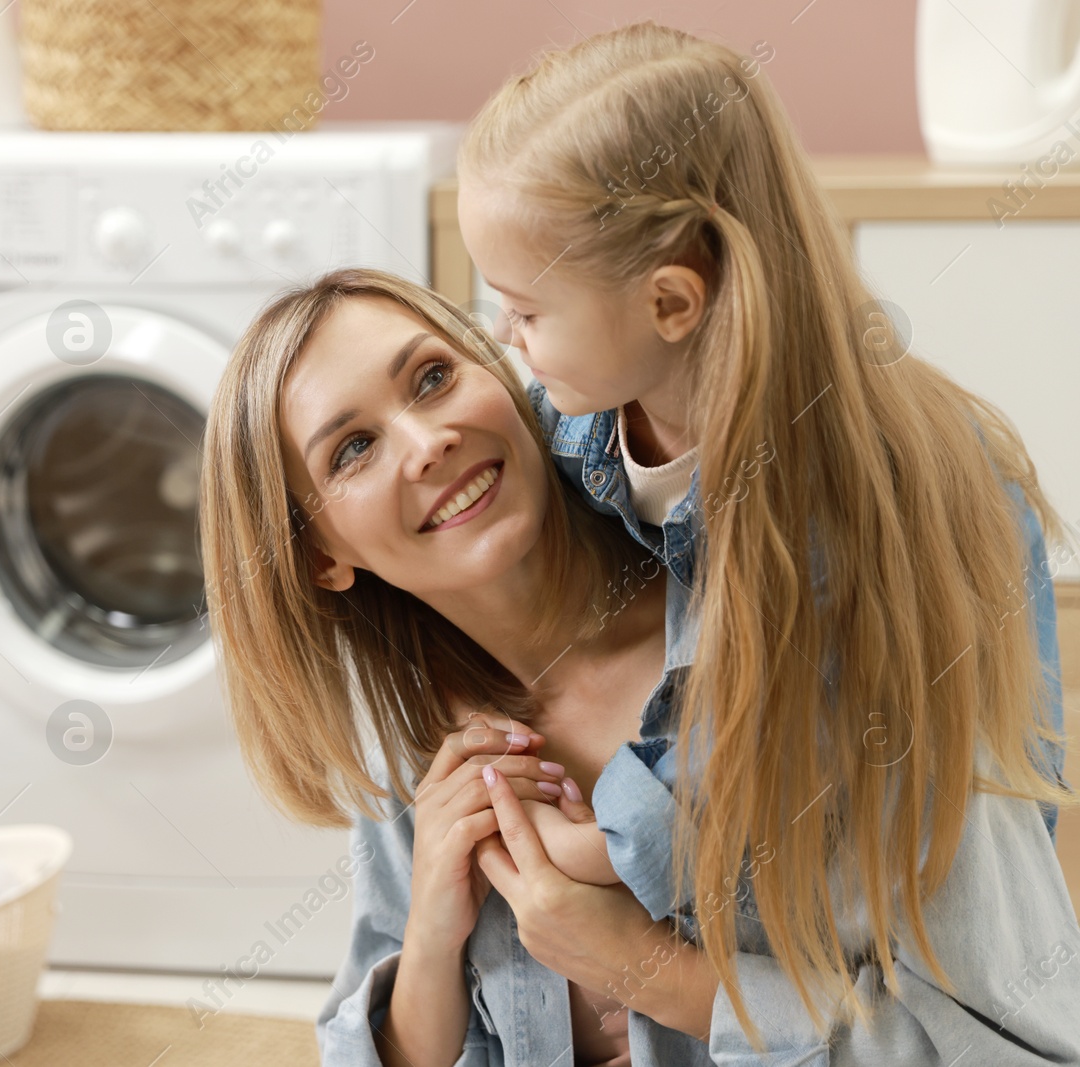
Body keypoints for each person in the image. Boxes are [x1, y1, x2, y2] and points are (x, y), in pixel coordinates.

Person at [198, 268, 1080, 1063]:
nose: (426, 441)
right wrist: (431, 928)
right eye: (352, 449)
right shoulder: (416, 746)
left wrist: (645, 970)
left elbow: (991, 1041)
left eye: (433, 377)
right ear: (321, 558)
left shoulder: (781, 631)